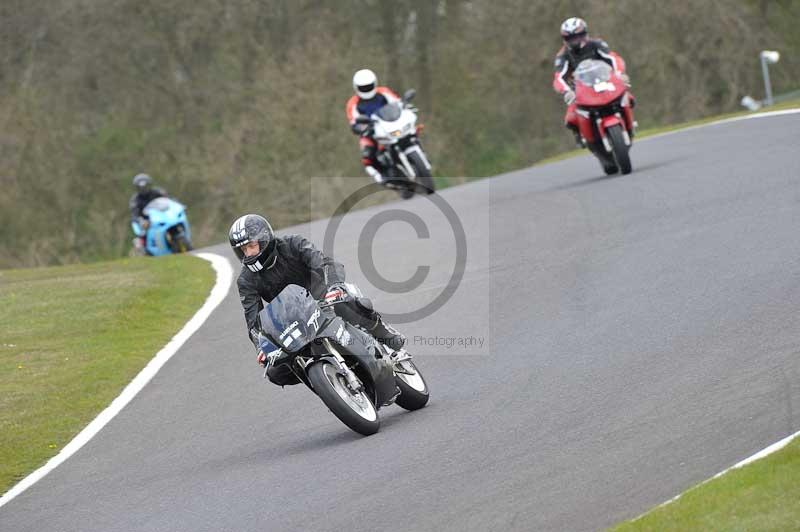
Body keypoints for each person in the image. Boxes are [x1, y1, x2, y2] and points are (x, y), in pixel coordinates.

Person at [229, 213, 406, 386]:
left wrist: (335, 286)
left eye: (251, 246)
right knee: (275, 371)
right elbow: (253, 320)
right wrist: (262, 347)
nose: (248, 253)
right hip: (294, 319)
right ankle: (323, 382)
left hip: (323, 296)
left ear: (264, 238)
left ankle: (385, 336)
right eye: (243, 250)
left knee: (345, 304)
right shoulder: (246, 280)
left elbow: (324, 262)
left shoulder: (293, 244)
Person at [552, 17, 632, 148]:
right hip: (580, 90)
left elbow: (614, 58)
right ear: (565, 40)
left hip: (605, 81)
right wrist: (567, 91)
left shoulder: (597, 44)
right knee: (570, 119)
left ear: (585, 33)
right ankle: (581, 136)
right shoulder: (562, 55)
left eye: (579, 36)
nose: (576, 40)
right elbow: (558, 77)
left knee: (629, 98)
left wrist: (619, 74)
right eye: (571, 38)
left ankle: (629, 125)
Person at [345, 68, 401, 184]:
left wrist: (404, 108)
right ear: (356, 87)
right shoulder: (353, 103)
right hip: (370, 130)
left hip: (391, 124)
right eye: (363, 87)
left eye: (368, 86)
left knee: (411, 132)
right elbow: (353, 122)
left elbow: (398, 103)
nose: (366, 89)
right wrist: (361, 128)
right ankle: (379, 175)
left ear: (374, 83)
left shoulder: (383, 92)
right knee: (368, 154)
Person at [128, 173, 167, 253]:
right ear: (137, 188)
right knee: (142, 233)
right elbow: (134, 214)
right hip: (145, 221)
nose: (144, 189)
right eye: (141, 187)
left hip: (160, 216)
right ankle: (142, 246)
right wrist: (140, 221)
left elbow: (168, 201)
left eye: (145, 186)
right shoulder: (135, 200)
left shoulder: (158, 192)